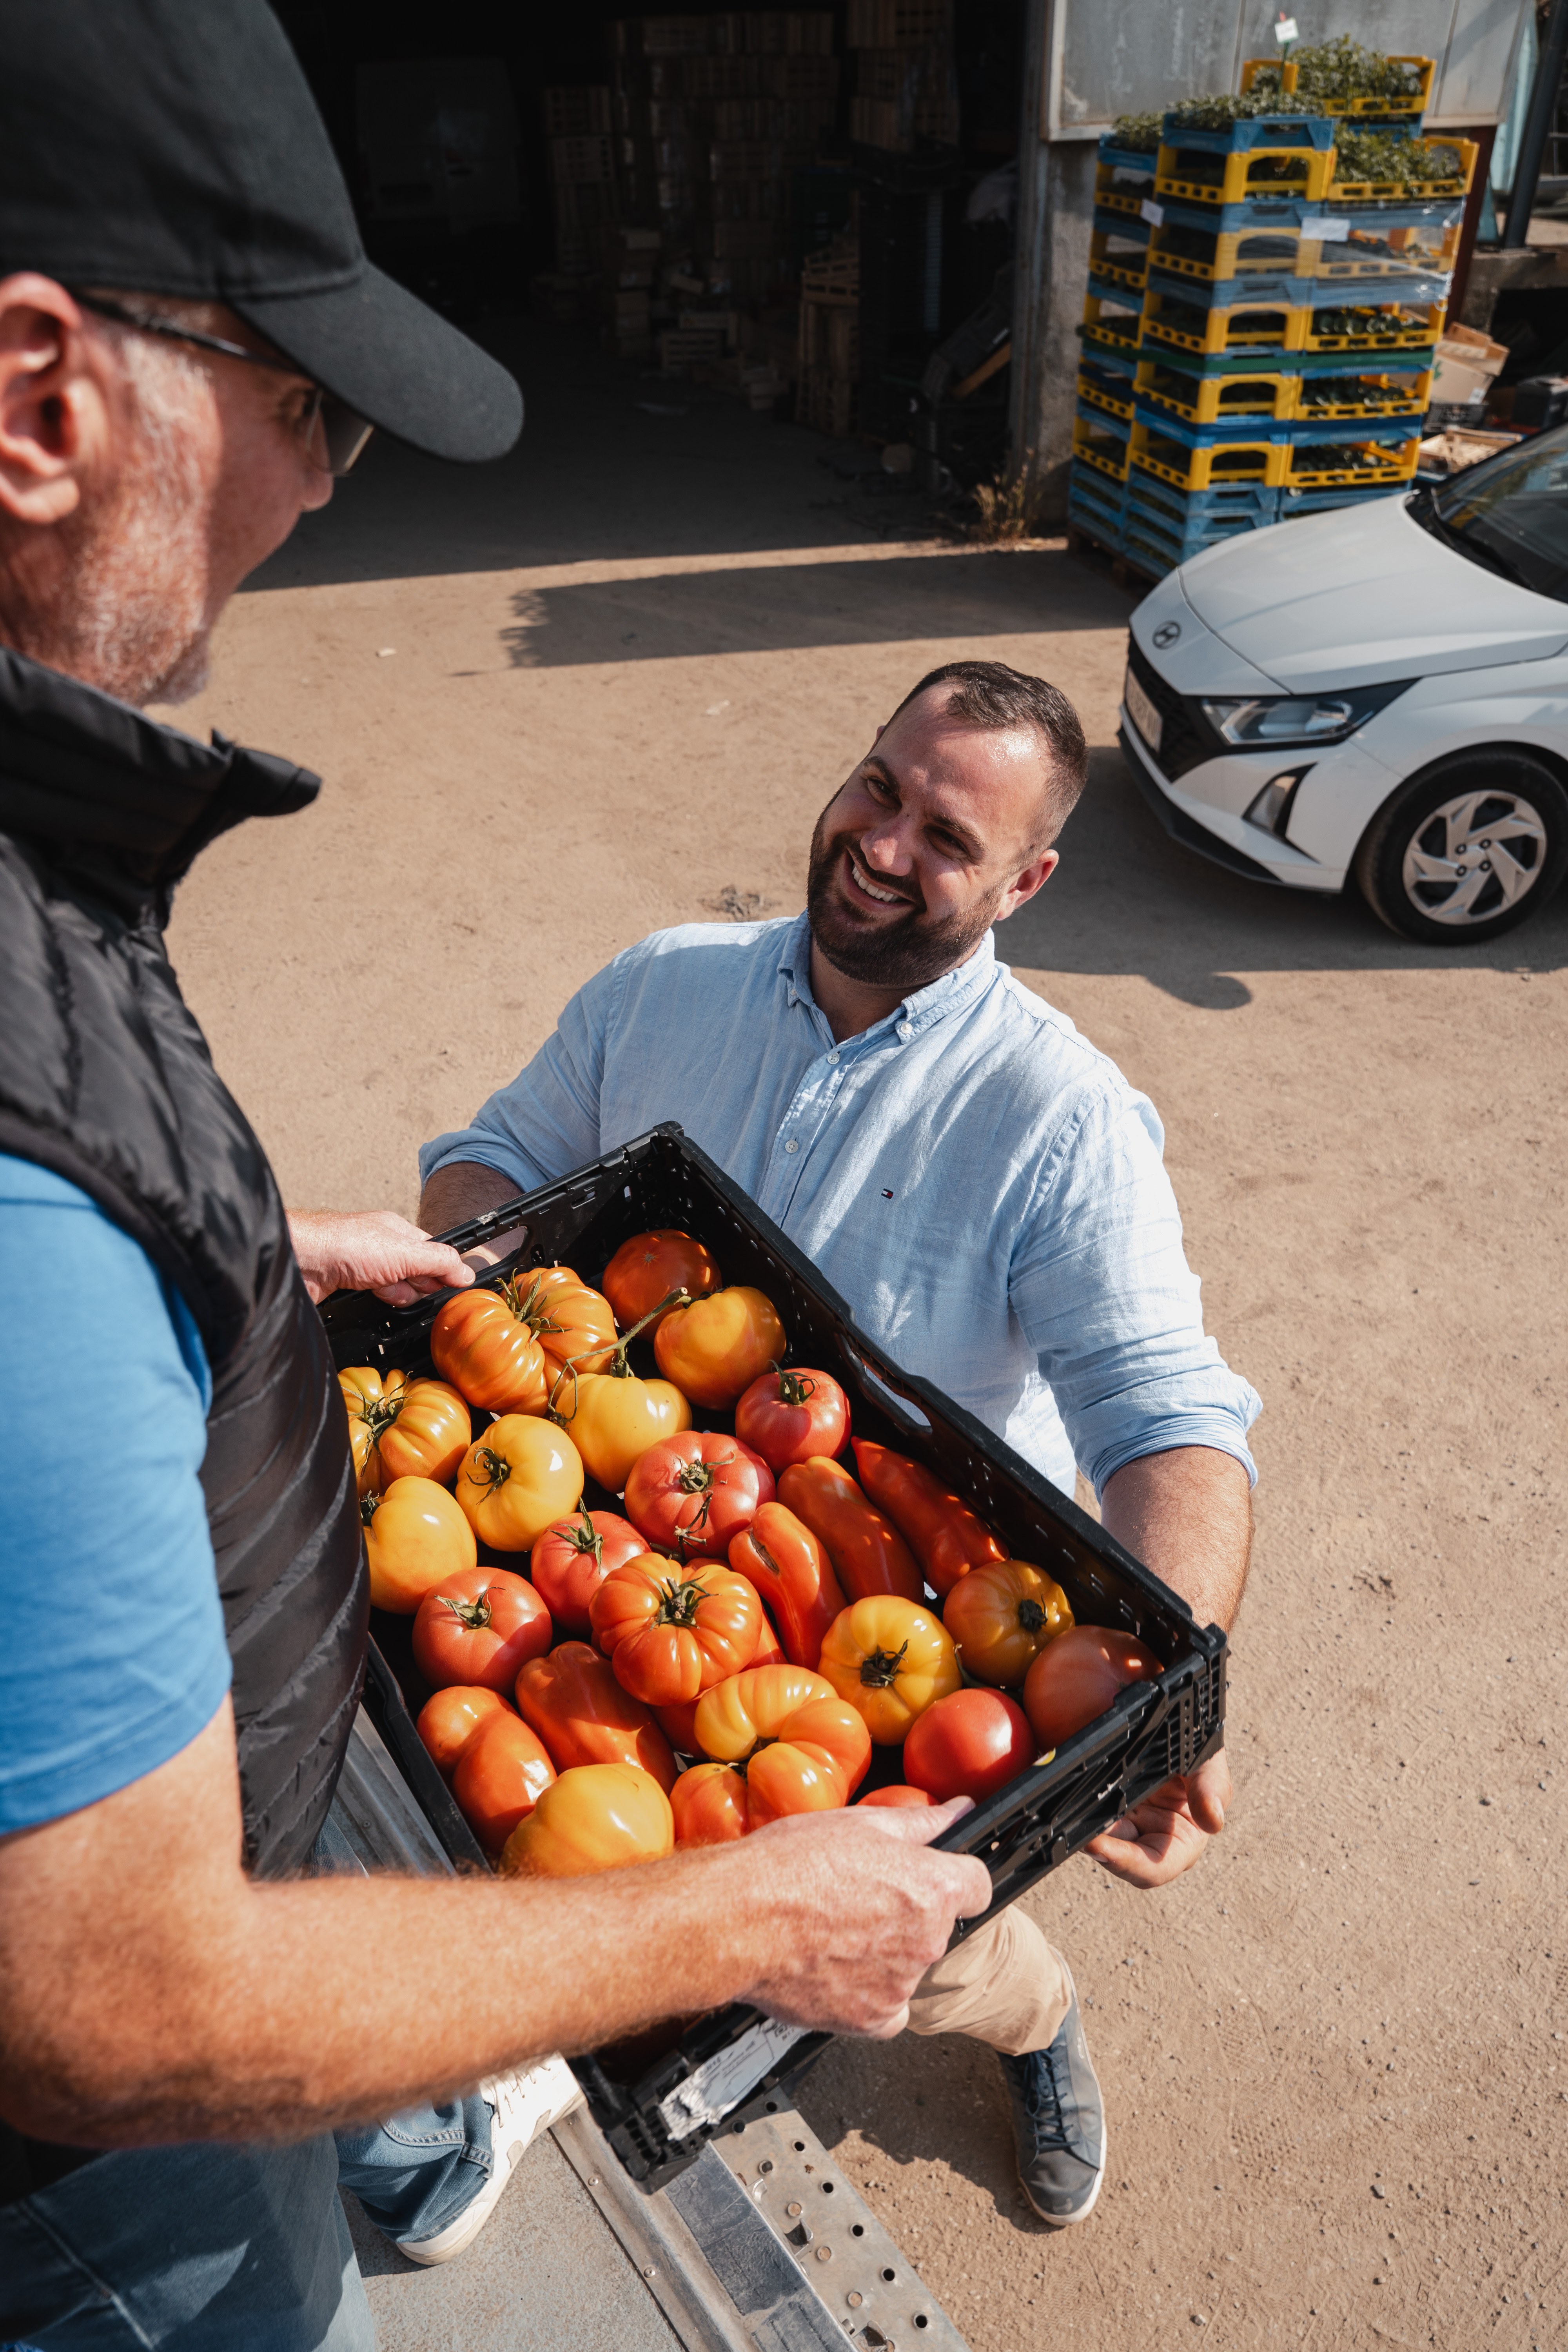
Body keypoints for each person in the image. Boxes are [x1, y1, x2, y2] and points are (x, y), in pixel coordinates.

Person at [0, 7, 990, 2346]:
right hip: (101, 2179)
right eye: (301, 406)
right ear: (42, 401)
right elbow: (113, 2014)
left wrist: (229, 1264)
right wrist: (739, 1919)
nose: (323, 490)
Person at [418, 657, 1262, 2229]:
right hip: (594, 1525)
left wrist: (1176, 1686)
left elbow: (1167, 1418)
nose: (880, 846)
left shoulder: (1060, 1118)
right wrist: (491, 1310)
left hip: (910, 1626)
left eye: (946, 838)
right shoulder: (662, 984)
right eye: (879, 787)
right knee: (593, 1863)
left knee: (922, 1954)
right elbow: (497, 1157)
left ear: (1025, 883)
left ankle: (1035, 2020)